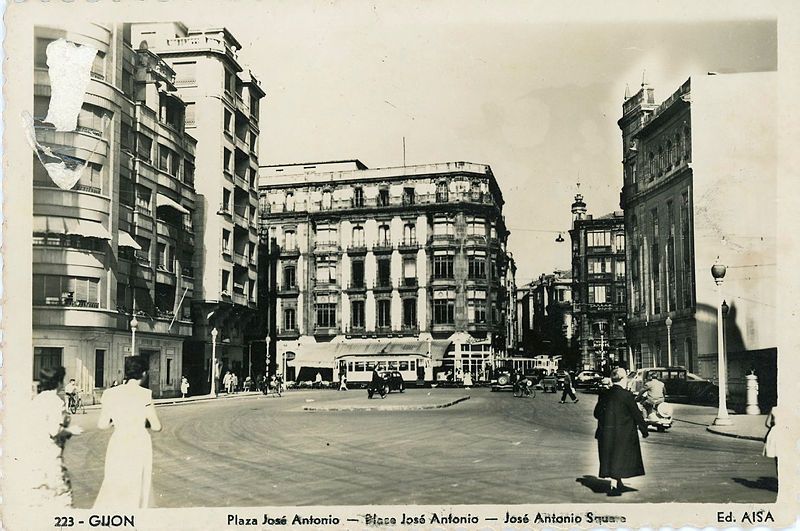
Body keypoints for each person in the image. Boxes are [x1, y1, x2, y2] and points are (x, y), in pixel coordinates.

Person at [93, 356, 162, 509]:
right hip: (138, 442)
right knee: (138, 481)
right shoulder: (145, 394)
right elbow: (157, 426)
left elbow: (102, 424)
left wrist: (117, 421)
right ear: (144, 373)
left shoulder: (110, 393)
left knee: (115, 480)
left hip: (119, 441)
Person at [22, 366, 81, 508]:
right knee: (62, 500)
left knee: (41, 501)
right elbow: (55, 430)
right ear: (59, 382)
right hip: (51, 457)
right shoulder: (55, 401)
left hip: (35, 456)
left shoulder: (36, 400)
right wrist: (71, 431)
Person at [594, 367, 649, 497]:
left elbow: (596, 413)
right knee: (620, 457)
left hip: (606, 433)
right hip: (623, 434)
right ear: (623, 379)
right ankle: (613, 485)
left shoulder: (604, 394)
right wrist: (644, 429)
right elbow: (636, 415)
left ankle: (618, 482)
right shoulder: (627, 396)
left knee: (611, 456)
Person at [763, 406, 779, 475]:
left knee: (777, 457)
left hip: (775, 434)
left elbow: (767, 423)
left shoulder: (774, 409)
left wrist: (774, 428)